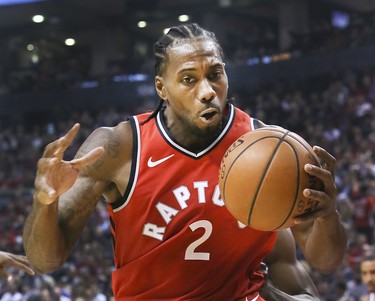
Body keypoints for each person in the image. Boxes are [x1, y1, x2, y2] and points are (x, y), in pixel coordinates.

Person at [23, 23, 347, 300]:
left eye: (215, 74)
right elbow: (46, 260)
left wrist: (327, 216)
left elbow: (323, 261)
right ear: (161, 88)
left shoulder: (266, 148)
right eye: (189, 79)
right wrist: (44, 200)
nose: (207, 91)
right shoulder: (120, 147)